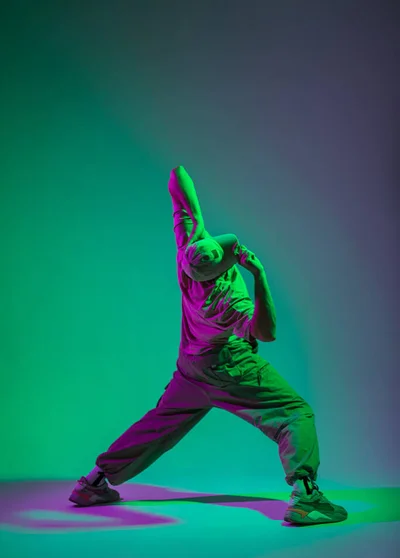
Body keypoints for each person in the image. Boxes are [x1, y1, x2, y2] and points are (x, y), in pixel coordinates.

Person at [69, 165, 348, 526]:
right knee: (295, 414)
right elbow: (266, 332)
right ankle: (305, 496)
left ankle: (94, 482)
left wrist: (189, 200)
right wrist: (259, 275)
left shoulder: (187, 256)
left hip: (191, 368)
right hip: (229, 366)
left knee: (160, 423)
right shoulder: (229, 300)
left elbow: (178, 186)